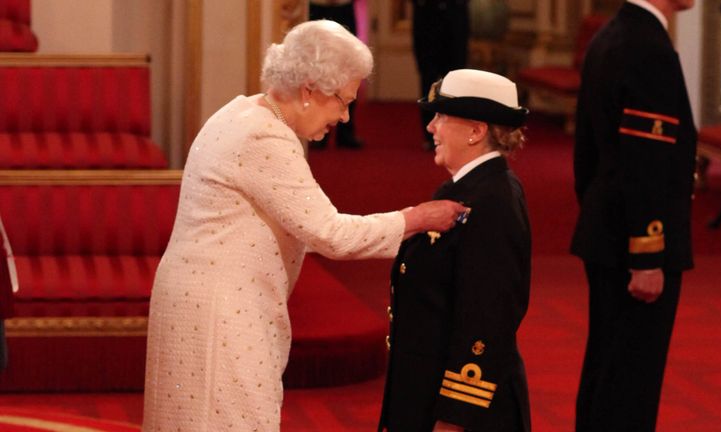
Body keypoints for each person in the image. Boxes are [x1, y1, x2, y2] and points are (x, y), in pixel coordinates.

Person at [142, 20, 467, 432]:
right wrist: (417, 218)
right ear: (311, 89)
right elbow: (330, 234)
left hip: (202, 299)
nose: (346, 117)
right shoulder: (265, 138)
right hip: (220, 312)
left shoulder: (242, 110)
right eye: (343, 101)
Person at [379, 69, 532, 432]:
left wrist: (455, 415)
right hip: (424, 393)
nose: (430, 127)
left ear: (476, 131)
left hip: (463, 414)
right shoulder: (464, 188)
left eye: (442, 117)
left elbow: (487, 317)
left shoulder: (492, 201)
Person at [570, 1, 697, 430]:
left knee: (607, 370)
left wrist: (596, 213)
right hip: (636, 244)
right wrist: (647, 254)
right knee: (630, 384)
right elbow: (647, 163)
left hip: (607, 228)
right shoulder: (649, 48)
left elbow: (586, 153)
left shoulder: (610, 36)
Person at [411, 0, 470, 151]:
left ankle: (455, 133)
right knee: (428, 80)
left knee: (456, 81)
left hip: (455, 16)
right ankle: (430, 136)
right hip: (427, 17)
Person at [308, 0, 364, 149]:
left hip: (343, 8)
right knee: (316, 69)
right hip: (317, 7)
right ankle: (317, 129)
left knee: (349, 67)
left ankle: (346, 132)